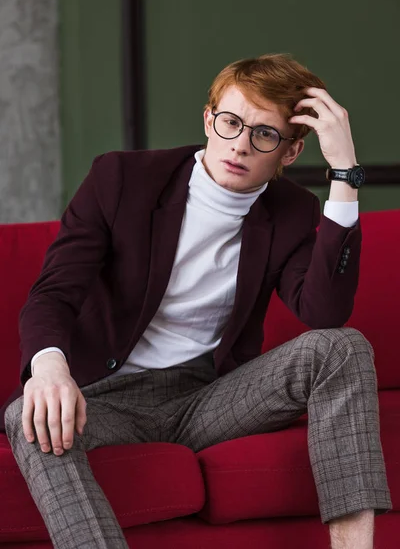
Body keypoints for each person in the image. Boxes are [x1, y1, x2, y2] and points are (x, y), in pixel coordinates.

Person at [1, 53, 392, 549]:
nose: (240, 145)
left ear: (289, 152)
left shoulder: (292, 210)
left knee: (343, 347)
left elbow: (325, 314)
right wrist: (49, 369)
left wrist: (344, 172)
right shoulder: (122, 180)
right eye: (231, 122)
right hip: (104, 398)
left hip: (207, 400)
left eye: (264, 135)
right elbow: (53, 293)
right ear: (209, 119)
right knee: (27, 417)